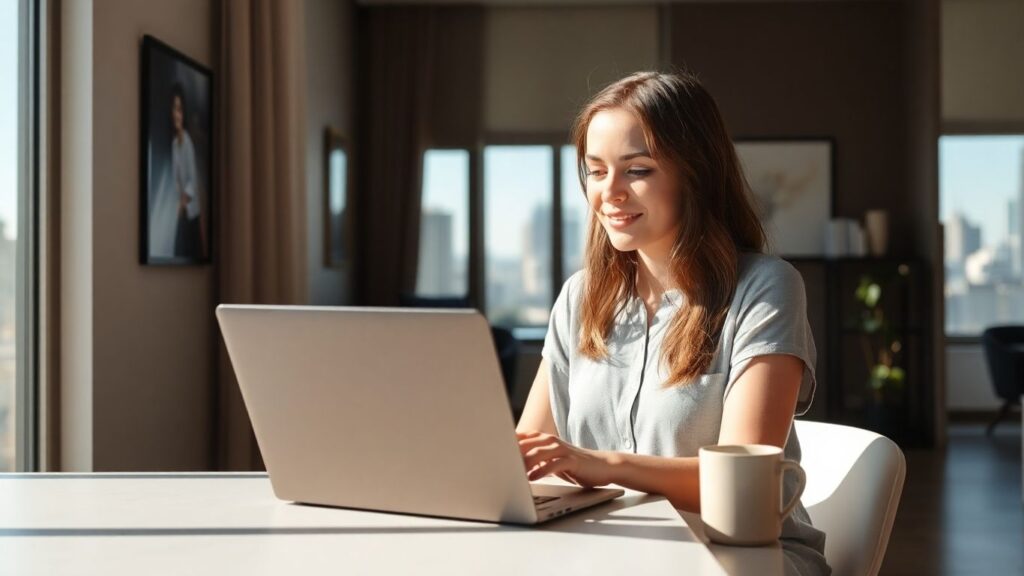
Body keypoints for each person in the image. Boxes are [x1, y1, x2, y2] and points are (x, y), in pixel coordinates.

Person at [515, 71, 830, 576]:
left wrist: (604, 465)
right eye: (595, 171)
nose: (609, 193)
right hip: (610, 550)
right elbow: (531, 459)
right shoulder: (579, 299)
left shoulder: (766, 287)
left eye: (636, 169)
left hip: (738, 557)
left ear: (695, 172)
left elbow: (742, 483)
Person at [170, 82, 202, 259]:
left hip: (190, 210)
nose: (176, 115)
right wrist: (178, 200)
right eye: (174, 109)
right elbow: (176, 178)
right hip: (182, 208)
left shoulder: (187, 142)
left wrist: (183, 202)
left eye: (179, 109)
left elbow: (193, 181)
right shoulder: (174, 144)